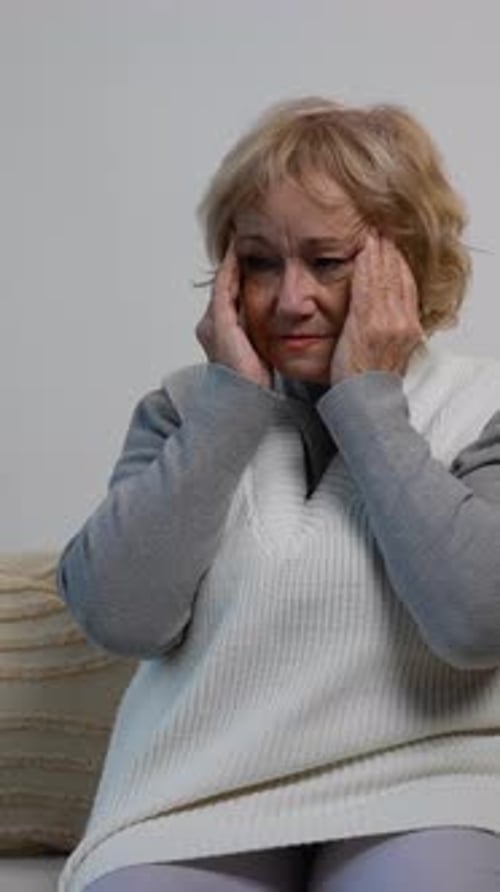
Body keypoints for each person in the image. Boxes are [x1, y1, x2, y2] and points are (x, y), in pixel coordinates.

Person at [57, 97, 500, 892]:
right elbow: (120, 617)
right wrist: (229, 405)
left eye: (328, 261)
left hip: (431, 786)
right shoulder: (185, 410)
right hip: (194, 796)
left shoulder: (483, 410)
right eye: (261, 261)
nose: (290, 300)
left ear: (414, 262)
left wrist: (366, 399)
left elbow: (477, 619)